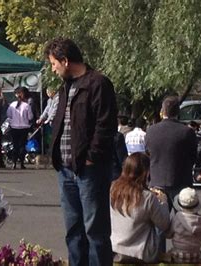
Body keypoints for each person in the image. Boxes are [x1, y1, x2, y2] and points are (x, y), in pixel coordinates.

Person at [46, 38, 117, 265]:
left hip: (89, 170)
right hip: (65, 169)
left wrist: (91, 158)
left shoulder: (98, 84)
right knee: (73, 229)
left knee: (95, 231)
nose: (53, 68)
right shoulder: (65, 87)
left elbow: (105, 126)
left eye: (53, 63)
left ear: (65, 61)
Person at [110, 152, 170, 263]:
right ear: (146, 172)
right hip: (140, 253)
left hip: (115, 249)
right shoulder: (148, 197)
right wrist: (163, 202)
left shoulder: (113, 189)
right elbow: (164, 224)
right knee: (155, 223)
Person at [145, 96, 197, 205]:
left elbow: (148, 155)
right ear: (178, 111)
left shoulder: (151, 131)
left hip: (156, 181)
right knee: (182, 219)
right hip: (181, 182)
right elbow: (193, 156)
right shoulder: (187, 132)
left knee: (159, 219)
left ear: (162, 111)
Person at [167, 187, 201, 263]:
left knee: (168, 254)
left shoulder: (177, 218)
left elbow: (169, 235)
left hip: (177, 255)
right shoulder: (200, 220)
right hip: (195, 256)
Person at [6, 86, 33, 169]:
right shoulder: (26, 106)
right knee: (22, 145)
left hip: (14, 127)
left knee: (15, 145)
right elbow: (30, 117)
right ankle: (21, 163)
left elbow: (8, 115)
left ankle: (14, 163)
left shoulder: (12, 105)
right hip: (24, 128)